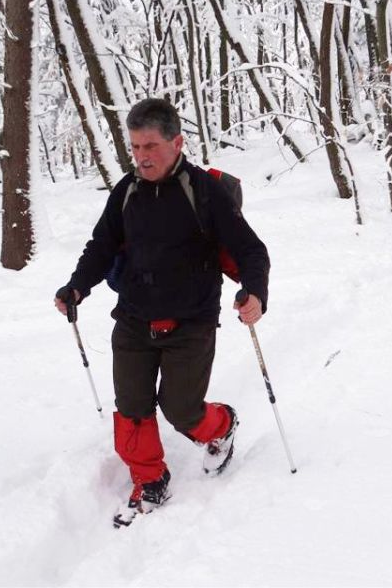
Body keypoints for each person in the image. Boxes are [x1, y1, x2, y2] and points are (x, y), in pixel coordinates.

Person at [54, 98, 270, 528]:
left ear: (177, 142)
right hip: (134, 318)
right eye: (134, 147)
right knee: (132, 408)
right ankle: (150, 479)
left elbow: (250, 249)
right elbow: (101, 245)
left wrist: (256, 292)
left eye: (150, 146)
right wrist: (78, 286)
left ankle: (221, 425)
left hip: (191, 320)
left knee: (182, 410)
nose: (141, 156)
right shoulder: (127, 191)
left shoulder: (204, 192)